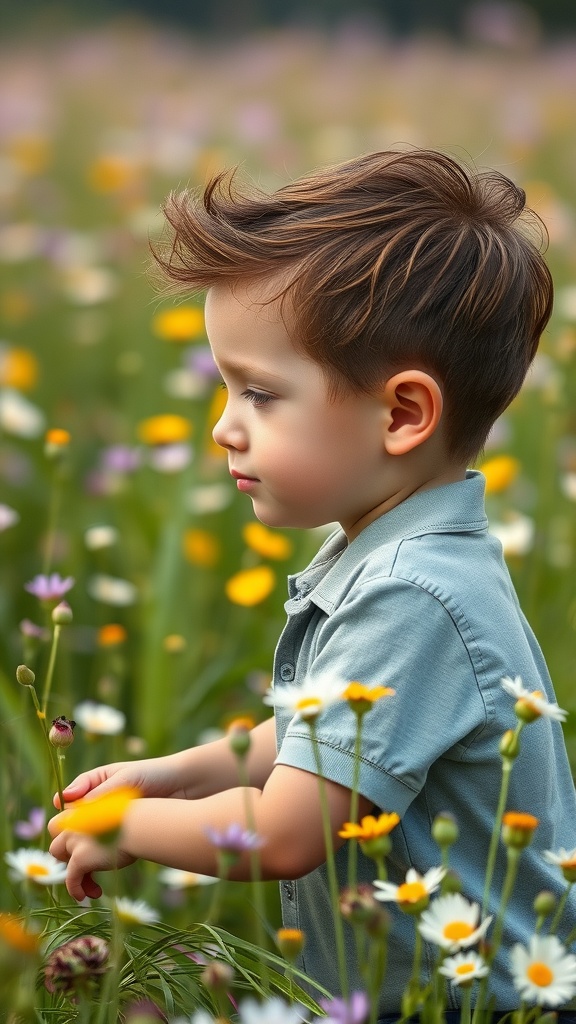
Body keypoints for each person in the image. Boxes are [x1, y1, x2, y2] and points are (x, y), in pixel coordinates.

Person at [49, 149, 576, 1017]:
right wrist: (178, 774)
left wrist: (123, 828)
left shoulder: (412, 593)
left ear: (403, 415)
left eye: (259, 394)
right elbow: (324, 737)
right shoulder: (400, 554)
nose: (224, 428)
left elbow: (288, 832)